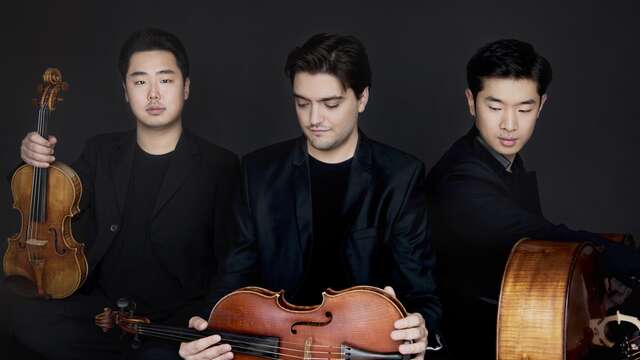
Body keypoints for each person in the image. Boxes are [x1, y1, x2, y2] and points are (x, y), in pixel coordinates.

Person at [178, 33, 444, 360]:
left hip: (360, 351)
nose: (314, 119)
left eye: (330, 104)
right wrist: (206, 325)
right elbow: (233, 279)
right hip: (276, 352)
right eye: (302, 103)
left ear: (362, 99)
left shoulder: (401, 176)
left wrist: (420, 327)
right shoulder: (257, 172)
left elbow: (422, 295)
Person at [10, 28, 239, 360]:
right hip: (104, 316)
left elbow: (231, 261)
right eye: (140, 82)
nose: (153, 95)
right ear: (126, 91)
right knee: (19, 314)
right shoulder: (100, 151)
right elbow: (47, 210)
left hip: (173, 320)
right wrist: (32, 161)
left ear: (186, 87)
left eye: (166, 80)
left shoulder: (220, 165)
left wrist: (204, 320)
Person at [426, 38, 640, 359]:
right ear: (471, 102)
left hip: (512, 329)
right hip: (467, 344)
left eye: (524, 108)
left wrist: (591, 295)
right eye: (494, 107)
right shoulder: (461, 178)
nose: (509, 124)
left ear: (541, 106)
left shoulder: (503, 162)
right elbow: (544, 237)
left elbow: (535, 264)